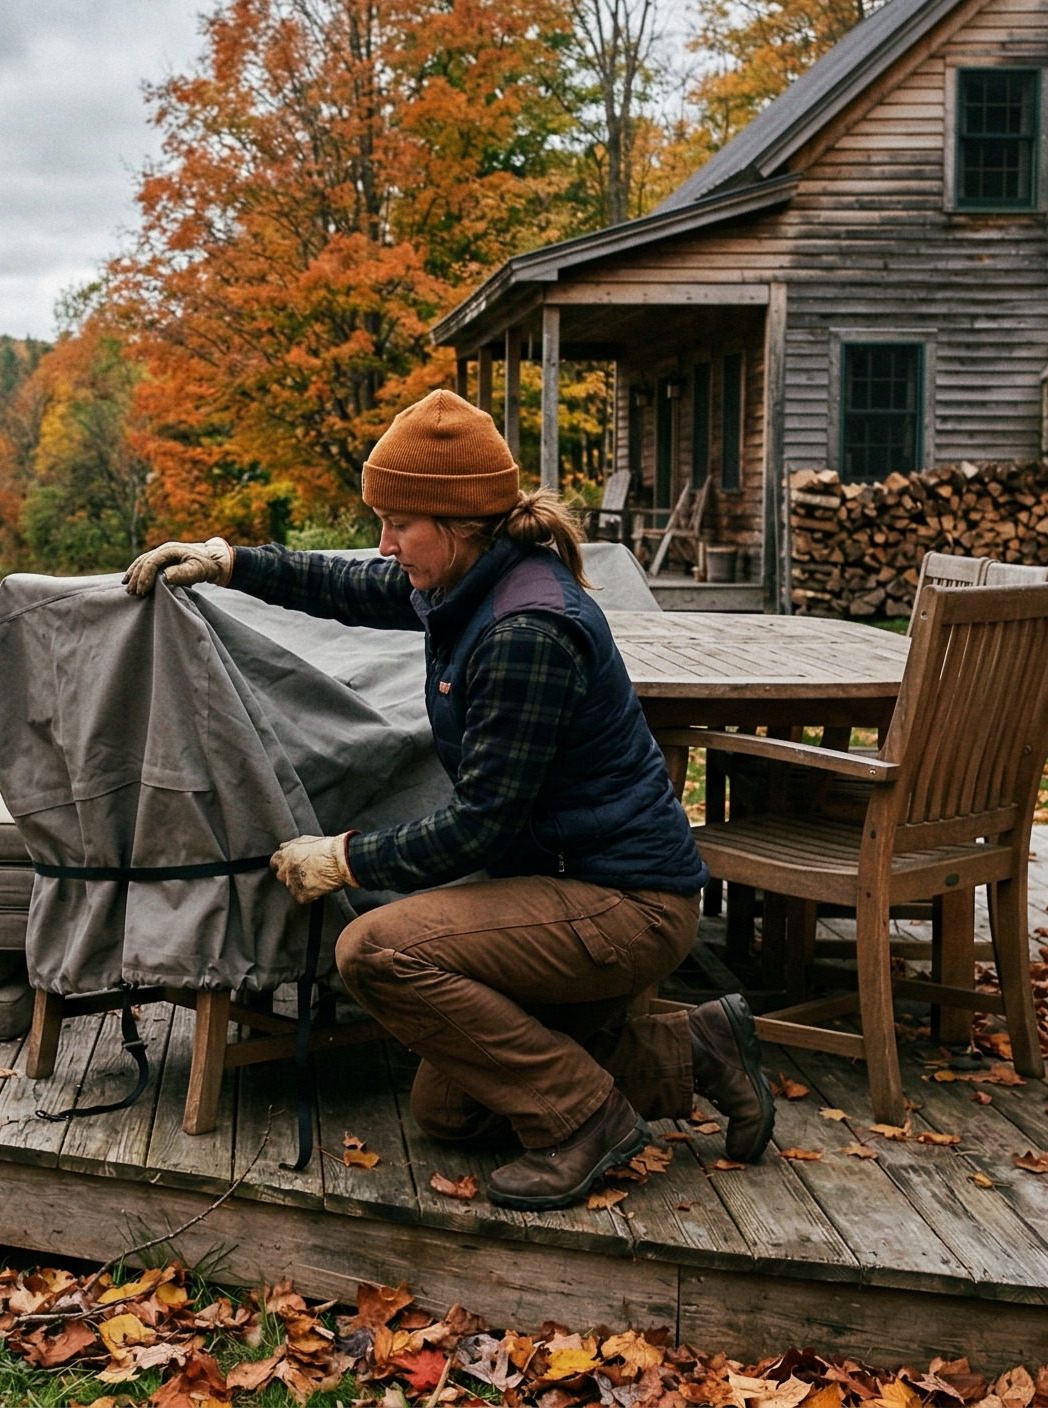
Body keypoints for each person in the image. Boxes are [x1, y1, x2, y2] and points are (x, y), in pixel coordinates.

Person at [120, 388, 773, 1210]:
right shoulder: (469, 576)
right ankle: (697, 1050)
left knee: (376, 950)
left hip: (625, 901)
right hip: (567, 884)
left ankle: (585, 1121)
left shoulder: (522, 632)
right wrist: (232, 561)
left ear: (460, 521)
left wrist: (344, 856)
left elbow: (480, 827)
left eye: (400, 524)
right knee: (448, 1108)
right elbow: (351, 586)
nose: (386, 544)